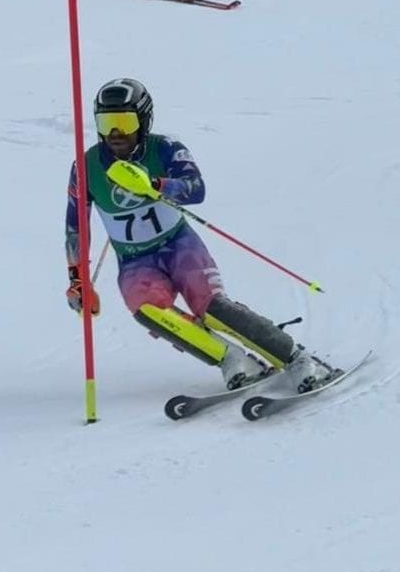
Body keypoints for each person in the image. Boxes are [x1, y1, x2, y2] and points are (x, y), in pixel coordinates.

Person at [63, 78, 328, 392]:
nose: (116, 133)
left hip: (178, 245)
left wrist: (158, 186)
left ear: (143, 120)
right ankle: (232, 359)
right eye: (106, 123)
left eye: (124, 121)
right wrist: (78, 280)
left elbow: (196, 189)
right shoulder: (85, 167)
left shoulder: (165, 148)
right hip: (135, 260)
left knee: (211, 306)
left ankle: (298, 358)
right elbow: (75, 226)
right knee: (149, 312)